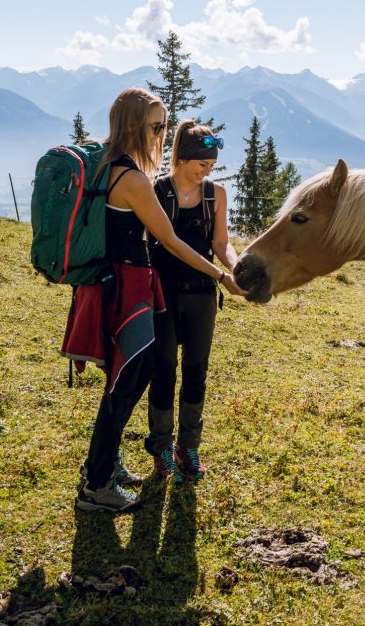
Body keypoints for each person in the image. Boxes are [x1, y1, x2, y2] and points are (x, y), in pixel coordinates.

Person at [70, 88, 244, 513]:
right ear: (134, 125)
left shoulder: (109, 167)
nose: (162, 132)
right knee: (129, 381)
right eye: (157, 125)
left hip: (114, 287)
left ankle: (105, 465)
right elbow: (169, 240)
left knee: (128, 378)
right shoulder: (135, 180)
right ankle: (97, 482)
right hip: (129, 292)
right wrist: (222, 275)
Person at [145, 120, 239, 483]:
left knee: (197, 369)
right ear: (182, 158)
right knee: (164, 369)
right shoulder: (157, 191)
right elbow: (169, 244)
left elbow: (220, 243)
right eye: (202, 164)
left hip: (200, 294)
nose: (207, 172)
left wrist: (236, 267)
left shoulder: (216, 195)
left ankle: (188, 446)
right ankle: (161, 448)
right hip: (163, 293)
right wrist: (220, 275)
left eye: (212, 166)